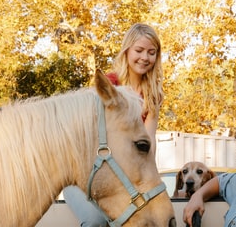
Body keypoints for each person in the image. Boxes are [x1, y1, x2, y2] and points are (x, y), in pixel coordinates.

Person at [63, 23, 164, 227]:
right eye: (139, 50)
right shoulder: (109, 85)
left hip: (123, 180)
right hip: (87, 175)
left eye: (151, 53)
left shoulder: (153, 94)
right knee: (95, 222)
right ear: (127, 50)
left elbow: (148, 142)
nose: (145, 57)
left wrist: (147, 181)